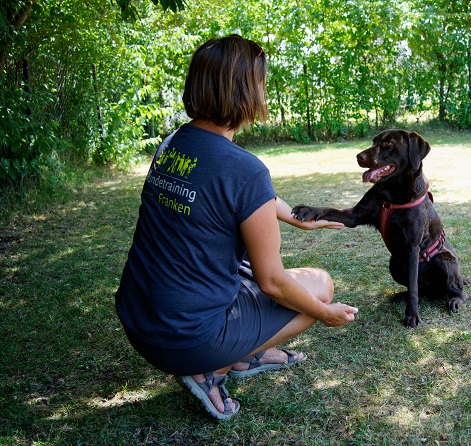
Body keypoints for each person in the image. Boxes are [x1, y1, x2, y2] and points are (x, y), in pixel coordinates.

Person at [115, 34, 358, 420]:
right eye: (261, 83)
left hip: (139, 320)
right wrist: (325, 315)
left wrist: (298, 219)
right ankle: (214, 368)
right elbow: (272, 282)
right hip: (185, 339)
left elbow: (235, 195)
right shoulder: (245, 169)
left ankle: (245, 355)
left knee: (272, 280)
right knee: (318, 290)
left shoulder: (172, 143)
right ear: (246, 91)